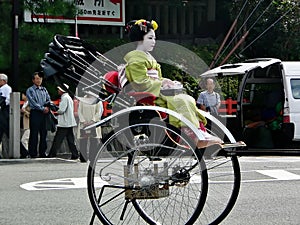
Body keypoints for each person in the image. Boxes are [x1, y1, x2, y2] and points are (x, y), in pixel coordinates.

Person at [123, 19, 222, 148]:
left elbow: (155, 79)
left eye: (154, 38)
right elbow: (141, 82)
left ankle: (199, 131)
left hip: (157, 93)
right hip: (149, 96)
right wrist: (162, 83)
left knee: (187, 98)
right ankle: (190, 134)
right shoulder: (135, 58)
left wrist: (166, 82)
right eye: (150, 38)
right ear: (139, 39)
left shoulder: (146, 56)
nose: (154, 41)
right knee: (181, 100)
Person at [48, 84, 79, 159]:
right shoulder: (68, 97)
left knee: (58, 139)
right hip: (69, 122)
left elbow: (61, 110)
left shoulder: (64, 98)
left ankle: (52, 154)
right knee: (70, 140)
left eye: (59, 89)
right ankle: (75, 154)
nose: (58, 91)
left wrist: (54, 108)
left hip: (64, 123)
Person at [26, 72, 51, 158]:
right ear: (33, 80)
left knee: (44, 133)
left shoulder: (44, 89)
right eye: (37, 78)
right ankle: (32, 152)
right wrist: (42, 108)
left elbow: (48, 99)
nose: (39, 80)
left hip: (44, 113)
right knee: (34, 133)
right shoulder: (30, 90)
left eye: (40, 78)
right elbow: (33, 102)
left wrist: (47, 107)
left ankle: (42, 152)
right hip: (35, 112)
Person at [77, 95, 103, 162]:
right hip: (84, 123)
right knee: (83, 140)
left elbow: (99, 111)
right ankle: (83, 158)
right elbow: (79, 111)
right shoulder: (82, 100)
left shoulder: (97, 100)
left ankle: (92, 158)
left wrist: (93, 120)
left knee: (94, 141)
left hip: (94, 123)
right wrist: (83, 121)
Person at [0, 73, 12, 158]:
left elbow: (6, 100)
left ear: (3, 80)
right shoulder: (3, 88)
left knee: (7, 132)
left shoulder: (5, 88)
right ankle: (24, 152)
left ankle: (23, 151)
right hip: (3, 112)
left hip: (4, 112)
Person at [20, 93, 30, 158]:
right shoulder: (25, 103)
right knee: (25, 139)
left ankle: (26, 153)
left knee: (24, 139)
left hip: (29, 124)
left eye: (23, 95)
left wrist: (25, 112)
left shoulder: (30, 103)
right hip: (25, 124)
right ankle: (26, 153)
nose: (22, 96)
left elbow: (31, 113)